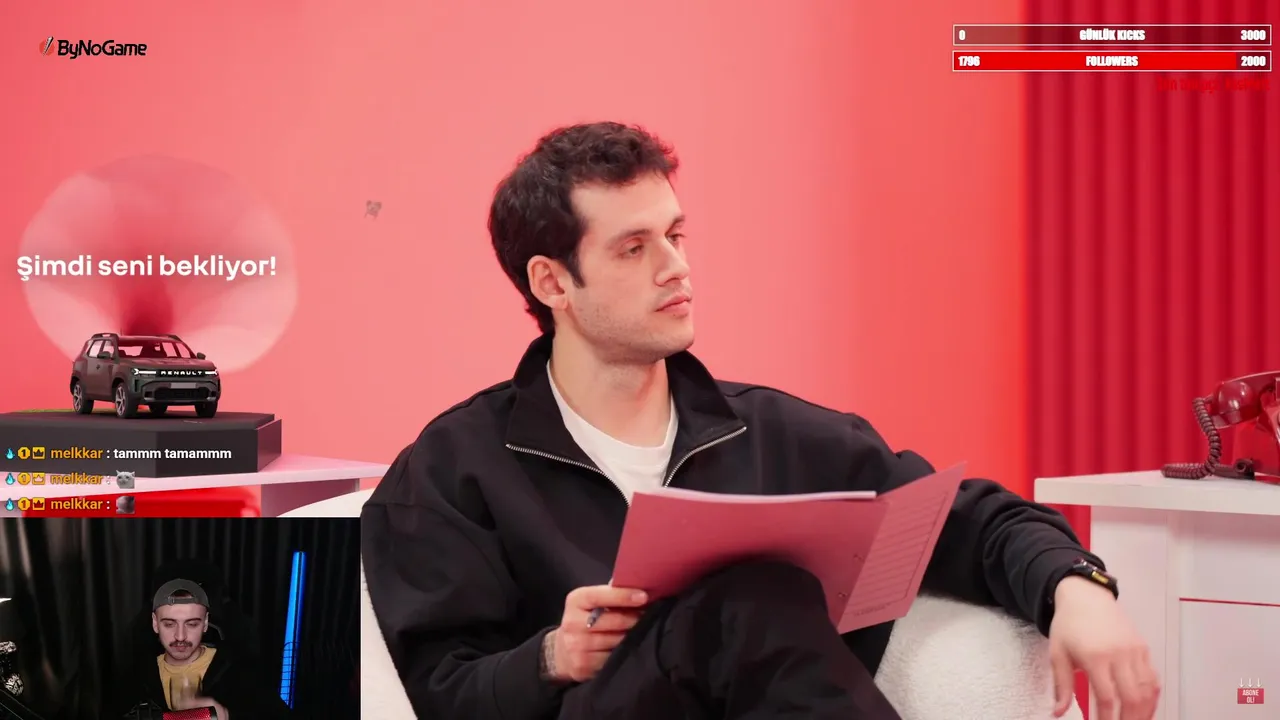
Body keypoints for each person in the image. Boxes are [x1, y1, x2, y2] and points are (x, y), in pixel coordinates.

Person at [361, 121, 1161, 719]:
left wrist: (1077, 589)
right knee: (750, 599)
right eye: (634, 249)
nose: (676, 267)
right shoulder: (453, 469)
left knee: (755, 599)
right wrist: (550, 657)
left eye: (675, 235)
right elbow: (436, 690)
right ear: (552, 283)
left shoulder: (775, 436)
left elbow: (969, 519)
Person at [107, 578, 291, 719]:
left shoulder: (237, 670)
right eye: (169, 624)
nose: (180, 636)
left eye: (192, 624)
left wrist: (227, 715)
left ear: (205, 623)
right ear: (155, 623)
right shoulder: (135, 676)